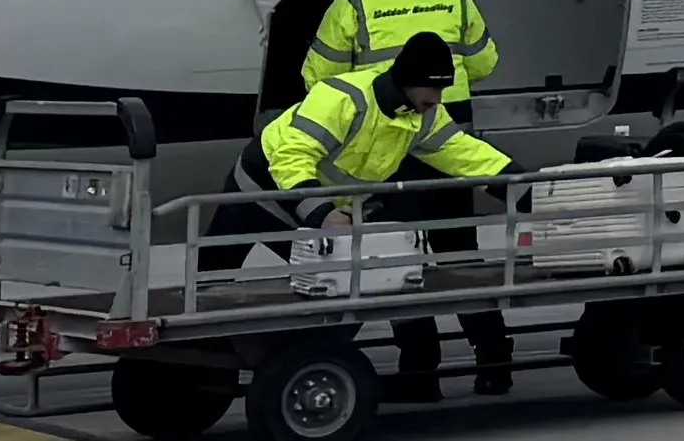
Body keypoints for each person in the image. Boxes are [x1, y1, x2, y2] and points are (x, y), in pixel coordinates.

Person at [202, 33, 520, 398]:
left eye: (443, 91)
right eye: (432, 91)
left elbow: (463, 153)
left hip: (320, 206)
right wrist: (320, 213)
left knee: (355, 283)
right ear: (406, 82)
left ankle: (385, 372)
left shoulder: (420, 114)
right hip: (257, 193)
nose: (437, 100)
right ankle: (211, 366)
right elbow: (291, 156)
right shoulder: (342, 98)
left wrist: (521, 186)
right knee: (208, 280)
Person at [302, 0, 501, 113]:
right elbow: (483, 64)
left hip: (381, 120)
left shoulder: (354, 2)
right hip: (451, 115)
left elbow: (321, 77)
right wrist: (440, 87)